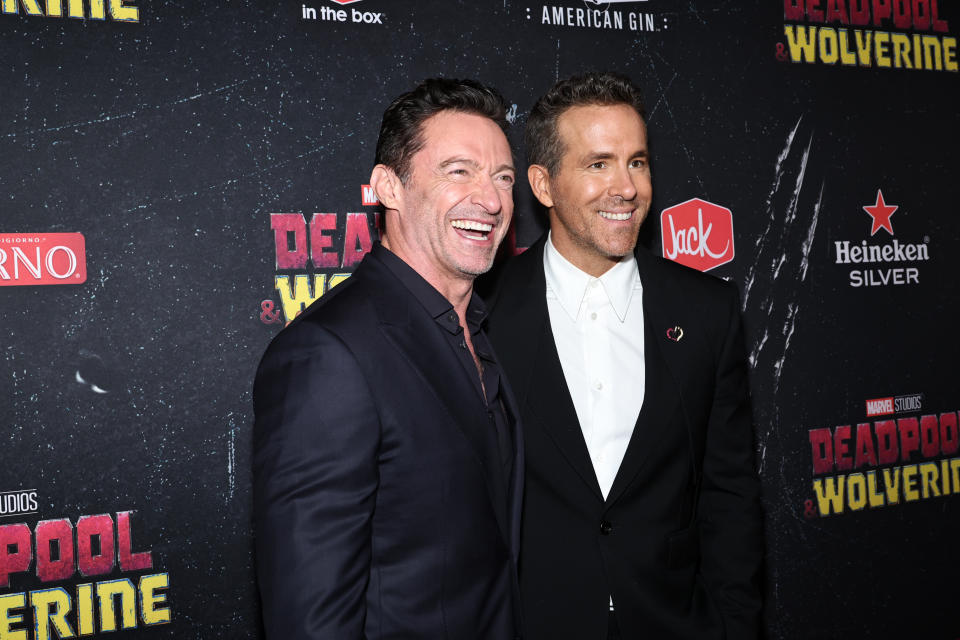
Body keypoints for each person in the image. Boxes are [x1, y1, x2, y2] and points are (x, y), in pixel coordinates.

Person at [483, 71, 763, 639]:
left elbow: (729, 498)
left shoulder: (707, 310)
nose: (627, 187)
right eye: (598, 164)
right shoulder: (482, 313)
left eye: (637, 162)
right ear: (542, 184)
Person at [252, 78, 523, 639]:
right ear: (387, 188)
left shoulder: (484, 333)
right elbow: (312, 621)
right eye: (458, 171)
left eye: (502, 178)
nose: (492, 199)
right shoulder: (328, 355)